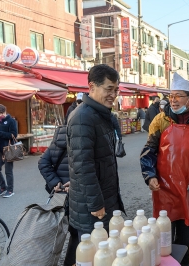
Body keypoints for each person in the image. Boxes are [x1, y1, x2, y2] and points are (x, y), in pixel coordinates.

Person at [140, 73, 189, 266]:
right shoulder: (160, 121)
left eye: (178, 96)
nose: (173, 100)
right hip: (164, 188)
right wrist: (149, 175)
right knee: (163, 238)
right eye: (171, 96)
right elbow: (149, 152)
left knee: (185, 237)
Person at [67, 64, 125, 237]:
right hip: (92, 209)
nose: (113, 95)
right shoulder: (83, 117)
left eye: (116, 90)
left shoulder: (100, 114)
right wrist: (95, 204)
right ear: (92, 86)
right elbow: (83, 166)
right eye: (109, 89)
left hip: (105, 198)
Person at [38, 125, 78, 266]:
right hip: (76, 195)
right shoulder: (81, 138)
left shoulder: (57, 139)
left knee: (57, 234)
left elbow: (43, 162)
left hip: (59, 196)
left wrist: (56, 182)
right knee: (77, 233)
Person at [0, 104, 18, 198]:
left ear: (4, 112)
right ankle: (3, 187)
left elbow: (13, 135)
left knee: (8, 171)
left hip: (8, 149)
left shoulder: (11, 121)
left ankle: (10, 190)